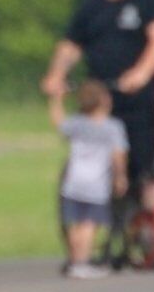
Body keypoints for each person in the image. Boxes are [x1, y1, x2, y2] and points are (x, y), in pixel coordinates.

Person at [43, 0, 154, 262]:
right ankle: (96, 243)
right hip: (101, 106)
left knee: (146, 172)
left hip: (137, 104)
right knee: (95, 169)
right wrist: (56, 75)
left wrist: (142, 72)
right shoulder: (92, 8)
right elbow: (71, 46)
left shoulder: (148, 2)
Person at [53, 74, 130, 278]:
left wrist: (56, 99)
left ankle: (75, 260)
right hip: (96, 183)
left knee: (75, 222)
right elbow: (118, 155)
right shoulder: (112, 127)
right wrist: (120, 176)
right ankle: (82, 263)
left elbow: (59, 123)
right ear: (104, 100)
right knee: (89, 223)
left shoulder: (77, 124)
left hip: (73, 181)